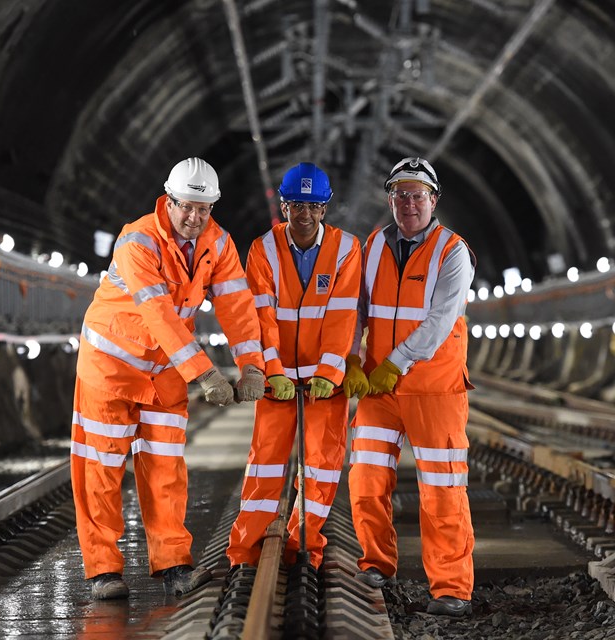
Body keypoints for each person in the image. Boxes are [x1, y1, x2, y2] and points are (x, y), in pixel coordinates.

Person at [71, 157, 265, 600]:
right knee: (100, 469)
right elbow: (158, 314)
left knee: (166, 469)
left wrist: (252, 363)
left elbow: (236, 304)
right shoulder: (138, 241)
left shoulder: (218, 242)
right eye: (187, 207)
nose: (195, 218)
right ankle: (103, 570)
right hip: (111, 368)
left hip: (163, 373)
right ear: (169, 200)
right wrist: (206, 373)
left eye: (205, 209)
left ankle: (174, 565)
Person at [343, 157, 476, 617]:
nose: (409, 203)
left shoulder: (453, 252)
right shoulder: (375, 245)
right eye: (400, 195)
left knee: (442, 490)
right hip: (380, 389)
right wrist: (352, 356)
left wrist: (394, 363)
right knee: (365, 477)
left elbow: (439, 322)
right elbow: (355, 307)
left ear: (433, 200)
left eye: (418, 195)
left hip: (433, 390)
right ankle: (376, 563)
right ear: (390, 200)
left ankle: (451, 588)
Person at [226, 162, 362, 571]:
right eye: (297, 205)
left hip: (324, 383)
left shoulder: (346, 249)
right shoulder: (262, 250)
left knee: (321, 467)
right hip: (279, 380)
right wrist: (273, 370)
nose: (305, 215)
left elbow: (343, 317)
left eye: (314, 206)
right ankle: (244, 554)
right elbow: (259, 317)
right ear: (283, 206)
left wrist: (329, 372)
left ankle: (305, 548)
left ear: (325, 209)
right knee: (265, 463)